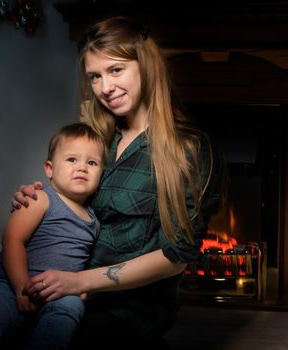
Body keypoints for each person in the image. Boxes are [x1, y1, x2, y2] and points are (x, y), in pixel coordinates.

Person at [12, 16, 223, 349]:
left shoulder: (188, 149)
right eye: (95, 76)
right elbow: (72, 201)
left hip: (127, 310)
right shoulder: (99, 139)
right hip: (61, 286)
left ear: (146, 66)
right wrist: (41, 199)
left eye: (115, 70)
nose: (105, 88)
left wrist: (79, 281)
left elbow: (177, 255)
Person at [0, 122, 106, 350]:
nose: (82, 168)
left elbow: (82, 262)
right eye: (72, 159)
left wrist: (82, 287)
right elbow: (12, 239)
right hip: (9, 283)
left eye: (92, 162)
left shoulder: (94, 222)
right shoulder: (40, 199)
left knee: (72, 308)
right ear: (49, 168)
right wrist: (21, 287)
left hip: (56, 290)